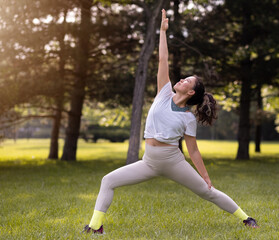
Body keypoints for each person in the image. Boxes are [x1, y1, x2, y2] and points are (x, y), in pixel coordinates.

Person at [83, 9, 258, 234]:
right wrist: (162, 32)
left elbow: (193, 151)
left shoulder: (188, 118)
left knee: (207, 192)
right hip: (149, 162)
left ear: (191, 91)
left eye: (187, 80)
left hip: (173, 162)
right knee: (108, 180)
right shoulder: (164, 93)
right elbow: (162, 59)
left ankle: (246, 218)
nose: (182, 78)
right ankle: (95, 227)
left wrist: (205, 176)